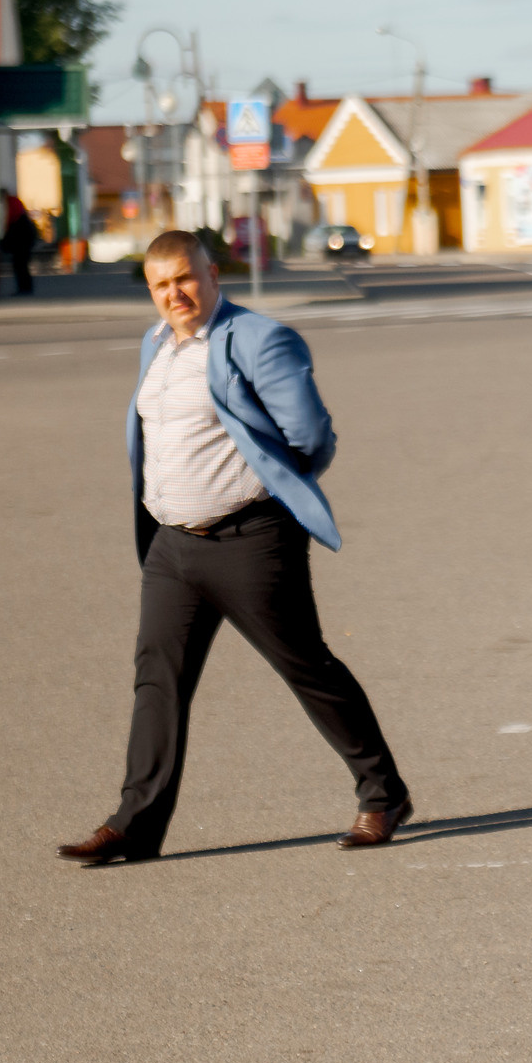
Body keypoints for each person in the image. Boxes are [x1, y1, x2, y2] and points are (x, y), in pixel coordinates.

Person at [61, 231, 412, 865]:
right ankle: (135, 824)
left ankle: (384, 795)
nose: (176, 293)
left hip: (249, 539)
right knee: (157, 681)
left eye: (185, 278)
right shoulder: (156, 346)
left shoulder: (257, 339)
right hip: (173, 546)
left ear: (211, 274)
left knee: (306, 667)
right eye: (162, 284)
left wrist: (273, 489)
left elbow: (310, 436)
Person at [0, 190, 40, 297]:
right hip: (25, 242)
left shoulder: (13, 207)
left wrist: (7, 238)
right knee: (23, 266)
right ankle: (26, 288)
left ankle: (24, 288)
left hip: (21, 243)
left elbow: (11, 219)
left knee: (20, 266)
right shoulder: (17, 205)